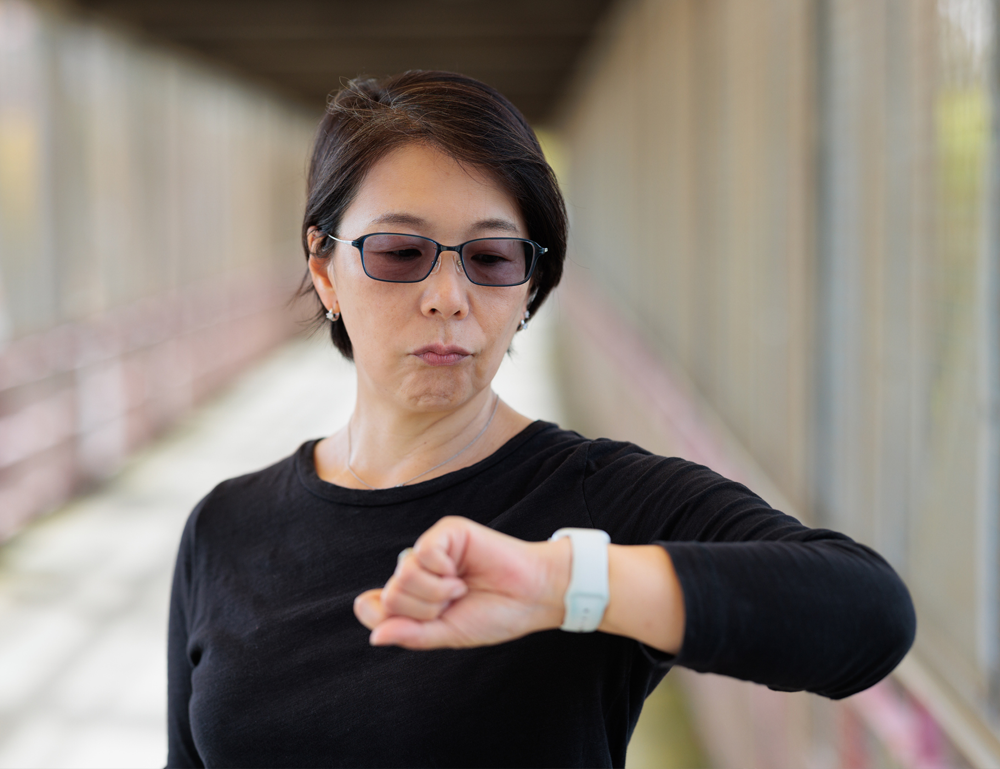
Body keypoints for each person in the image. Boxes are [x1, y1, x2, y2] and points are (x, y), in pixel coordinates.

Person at [167, 70, 916, 768]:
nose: (448, 296)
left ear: (528, 291)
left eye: (491, 258)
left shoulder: (595, 505)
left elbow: (867, 613)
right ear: (325, 267)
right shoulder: (224, 528)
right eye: (401, 252)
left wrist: (563, 584)